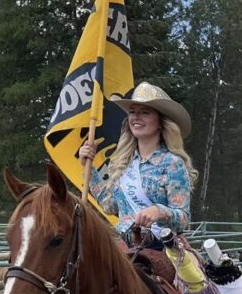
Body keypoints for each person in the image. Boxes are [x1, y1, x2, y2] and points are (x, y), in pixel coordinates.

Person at [78, 81, 196, 244]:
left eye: (145, 112)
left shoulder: (172, 163)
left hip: (161, 246)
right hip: (124, 244)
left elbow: (183, 219)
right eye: (132, 112)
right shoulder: (123, 162)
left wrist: (159, 211)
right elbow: (110, 207)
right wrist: (89, 169)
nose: (136, 117)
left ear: (160, 123)